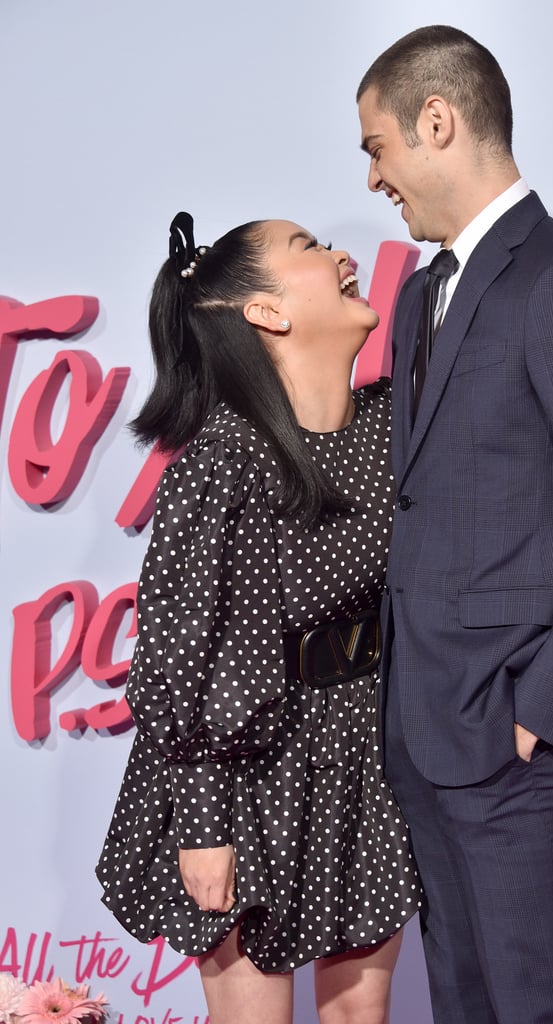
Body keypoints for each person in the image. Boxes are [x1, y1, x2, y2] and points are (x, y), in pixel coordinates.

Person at [356, 25, 553, 1024]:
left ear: (437, 121)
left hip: (508, 744)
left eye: (376, 146)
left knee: (532, 1007)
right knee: (460, 1005)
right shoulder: (418, 295)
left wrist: (538, 709)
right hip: (421, 731)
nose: (372, 177)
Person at [96, 212, 420, 1024]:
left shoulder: (390, 427)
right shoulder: (223, 462)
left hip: (363, 757)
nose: (345, 256)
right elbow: (187, 655)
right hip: (246, 774)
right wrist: (203, 824)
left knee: (360, 1016)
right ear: (266, 314)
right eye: (309, 249)